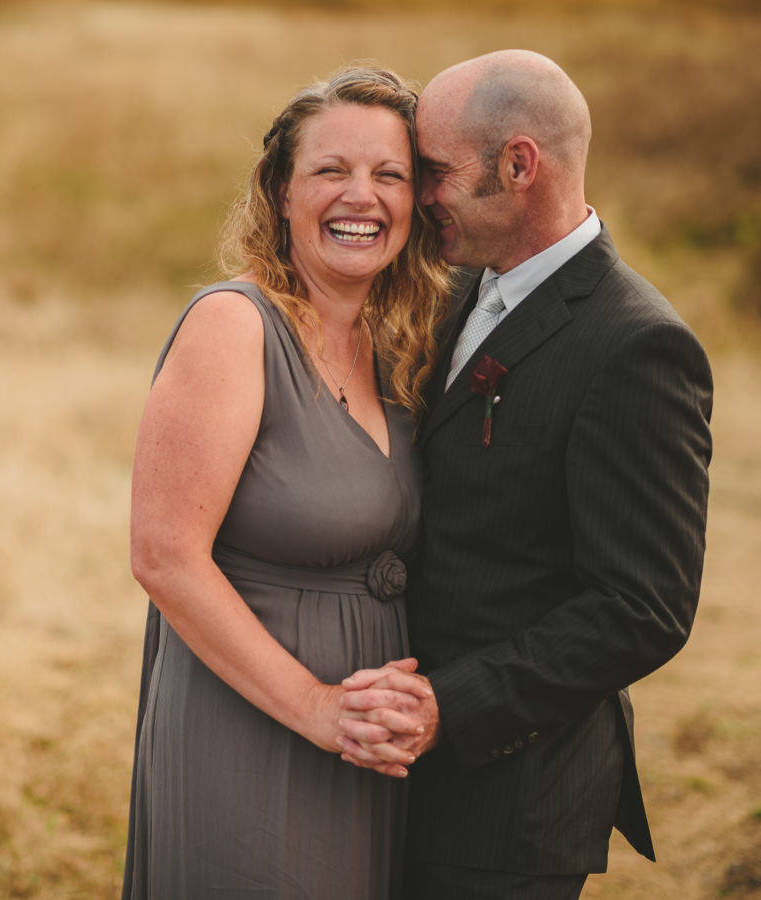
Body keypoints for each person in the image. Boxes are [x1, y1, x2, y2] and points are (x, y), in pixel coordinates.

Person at [336, 50, 714, 899]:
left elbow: (642, 607)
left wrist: (449, 708)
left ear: (517, 165)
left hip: (510, 803)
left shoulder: (635, 346)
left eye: (430, 171)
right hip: (396, 774)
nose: (413, 194)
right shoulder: (457, 285)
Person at [120, 66, 450, 900]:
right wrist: (311, 705)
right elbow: (164, 555)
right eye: (330, 170)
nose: (360, 196)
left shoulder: (399, 346)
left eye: (389, 175)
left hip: (366, 735)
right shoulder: (234, 325)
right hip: (253, 718)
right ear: (280, 192)